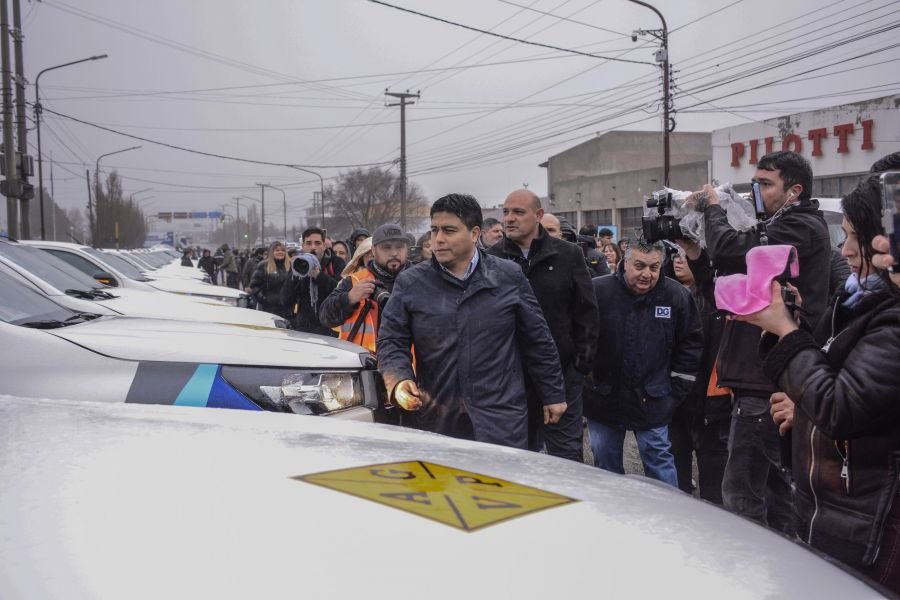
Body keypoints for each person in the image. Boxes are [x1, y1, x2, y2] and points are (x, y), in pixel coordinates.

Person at [738, 169, 900, 592]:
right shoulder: (861, 298)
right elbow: (841, 383)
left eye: (854, 236)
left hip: (873, 525)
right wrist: (787, 330)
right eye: (843, 235)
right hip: (838, 512)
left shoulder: (891, 314)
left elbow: (841, 408)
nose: (844, 250)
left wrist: (786, 332)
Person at [693, 150, 830, 534]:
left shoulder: (799, 226)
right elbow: (727, 292)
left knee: (741, 493)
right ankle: (783, 556)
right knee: (772, 490)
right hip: (757, 375)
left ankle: (752, 561)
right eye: (753, 184)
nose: (755, 193)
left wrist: (713, 209)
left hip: (765, 378)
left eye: (765, 184)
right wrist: (696, 254)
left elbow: (731, 249)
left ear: (794, 191)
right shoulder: (776, 226)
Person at [378, 193, 567, 448]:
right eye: (434, 230)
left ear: (474, 233)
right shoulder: (411, 283)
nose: (438, 239)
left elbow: (538, 340)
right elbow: (391, 340)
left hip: (501, 420)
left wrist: (553, 394)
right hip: (438, 422)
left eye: (449, 230)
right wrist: (399, 380)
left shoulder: (507, 276)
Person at [488, 189, 599, 462]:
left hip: (562, 378)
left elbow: (587, 315)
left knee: (566, 458)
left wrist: (579, 368)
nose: (509, 218)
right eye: (506, 212)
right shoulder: (492, 259)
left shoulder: (568, 255)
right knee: (516, 457)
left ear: (538, 215)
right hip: (511, 382)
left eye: (518, 212)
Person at [584, 241, 703, 487]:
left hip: (655, 398)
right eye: (639, 266)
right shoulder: (598, 291)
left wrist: (675, 391)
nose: (647, 274)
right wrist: (586, 378)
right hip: (603, 398)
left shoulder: (675, 296)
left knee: (659, 461)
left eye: (654, 267)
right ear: (624, 262)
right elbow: (580, 338)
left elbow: (691, 345)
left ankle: (667, 509)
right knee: (605, 462)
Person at [667, 242, 730, 503]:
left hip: (710, 398)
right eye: (675, 254)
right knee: (676, 472)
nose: (678, 260)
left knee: (713, 476)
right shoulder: (667, 295)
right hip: (676, 397)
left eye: (685, 255)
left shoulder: (717, 299)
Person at [320, 223, 410, 352]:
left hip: (410, 363)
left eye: (400, 247)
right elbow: (325, 317)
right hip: (365, 362)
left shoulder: (420, 279)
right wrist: (349, 298)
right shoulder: (355, 281)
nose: (394, 253)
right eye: (386, 247)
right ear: (373, 250)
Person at [281, 228, 343, 336]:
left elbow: (341, 292)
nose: (313, 247)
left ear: (324, 245)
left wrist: (319, 276)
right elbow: (285, 300)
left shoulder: (336, 263)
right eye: (309, 243)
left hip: (331, 329)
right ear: (303, 246)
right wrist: (295, 274)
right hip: (304, 330)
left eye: (317, 243)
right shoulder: (298, 264)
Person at [248, 241, 291, 320]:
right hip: (269, 308)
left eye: (283, 250)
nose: (280, 252)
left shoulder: (291, 266)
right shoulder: (263, 265)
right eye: (277, 250)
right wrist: (263, 300)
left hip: (288, 309)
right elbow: (254, 285)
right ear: (272, 252)